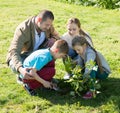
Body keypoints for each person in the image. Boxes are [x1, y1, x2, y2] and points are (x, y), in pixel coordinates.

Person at [6, 9, 60, 81]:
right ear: (39, 20)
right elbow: (14, 50)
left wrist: (53, 39)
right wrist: (20, 69)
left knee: (54, 46)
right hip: (24, 56)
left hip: (38, 53)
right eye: (47, 25)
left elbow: (57, 37)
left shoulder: (48, 25)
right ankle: (22, 76)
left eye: (50, 25)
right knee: (14, 64)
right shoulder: (23, 29)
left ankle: (42, 74)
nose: (48, 28)